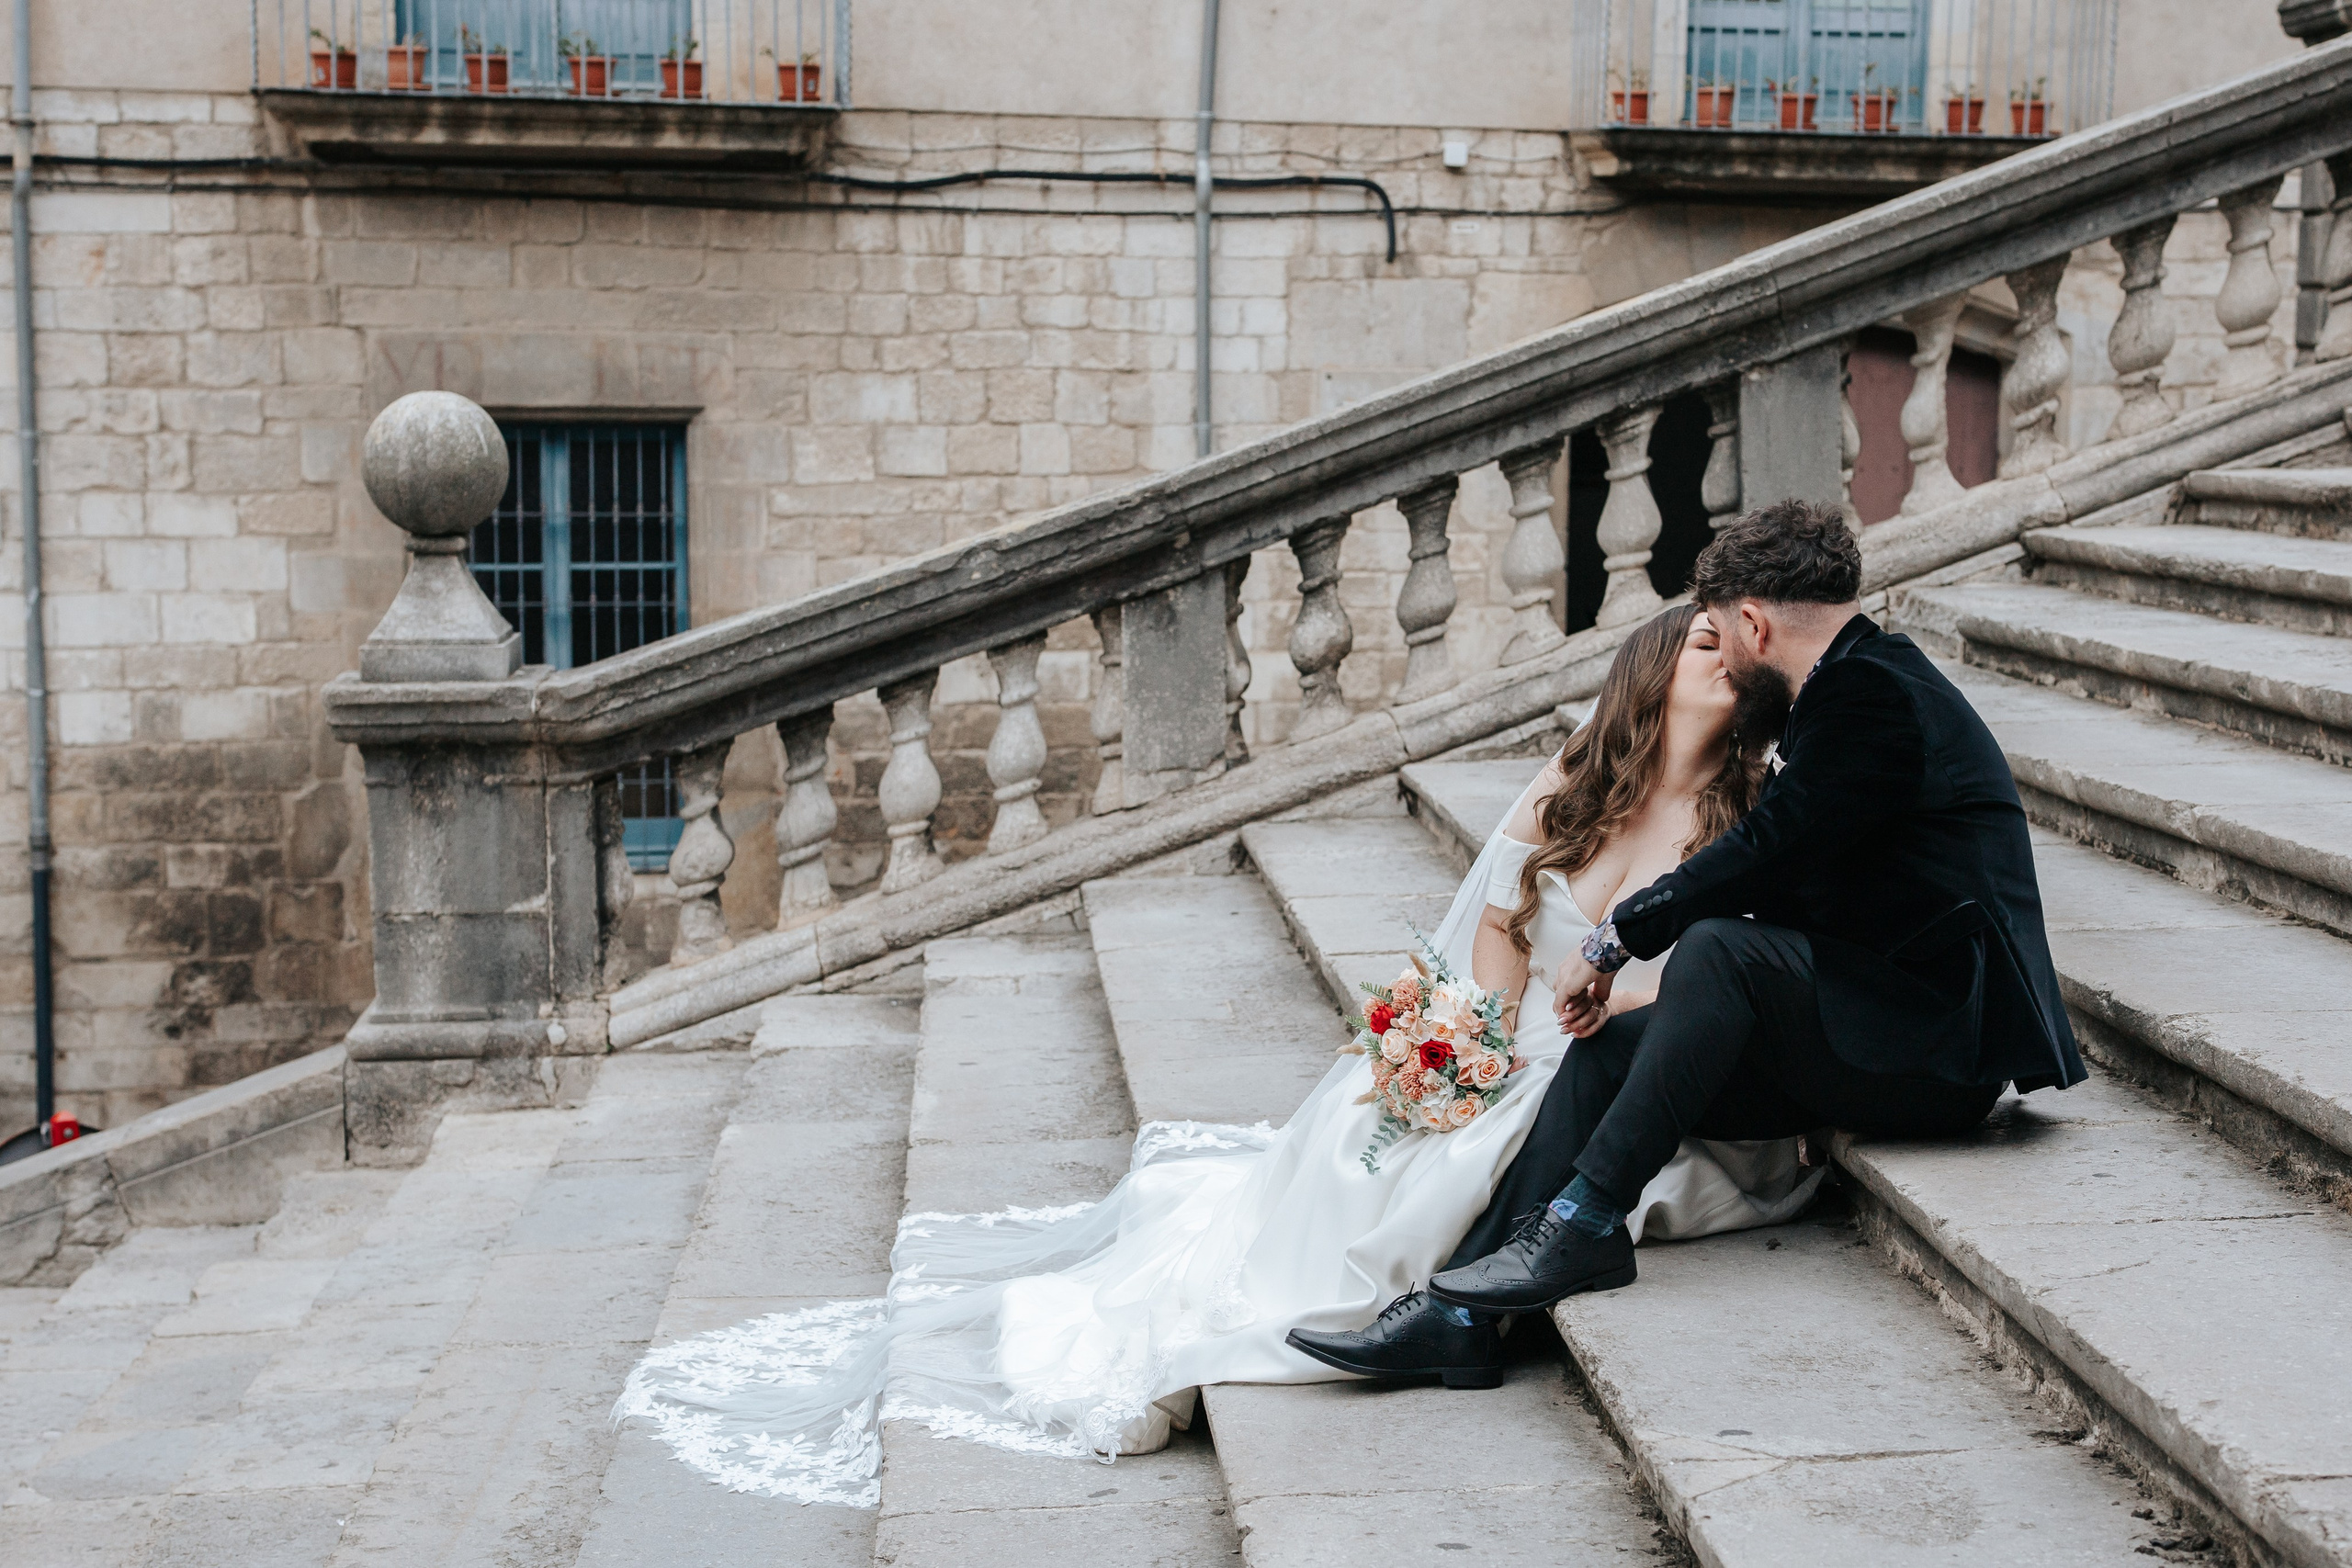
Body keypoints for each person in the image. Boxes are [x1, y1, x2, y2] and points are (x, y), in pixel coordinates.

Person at [616, 603, 1819, 1504]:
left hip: (1610, 1073)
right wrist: (1473, 1037)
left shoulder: (1748, 822)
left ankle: (1423, 1310)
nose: (1725, 654)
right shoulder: (1582, 775)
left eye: (1738, 648)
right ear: (1653, 668)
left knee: (1443, 1166)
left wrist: (1568, 1034)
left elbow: (1702, 993)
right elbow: (1504, 915)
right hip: (1520, 1045)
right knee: (1370, 1123)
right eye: (1703, 637)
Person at [1407, 497, 2081, 1337]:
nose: (1720, 658)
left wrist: (1618, 938)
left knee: (1724, 950)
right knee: (1611, 1049)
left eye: (1718, 635)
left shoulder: (1874, 693)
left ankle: (1583, 1225)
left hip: (1939, 1051)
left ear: (1754, 624)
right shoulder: (1843, 692)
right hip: (1873, 1012)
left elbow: (1768, 847)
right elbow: (1808, 875)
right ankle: (1461, 1312)